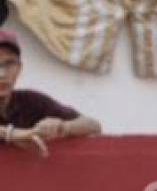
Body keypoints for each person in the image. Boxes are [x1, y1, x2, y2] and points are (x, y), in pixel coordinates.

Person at [0, 28, 101, 157]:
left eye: (9, 64)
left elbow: (93, 125)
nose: (2, 74)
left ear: (19, 68)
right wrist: (15, 134)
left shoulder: (31, 100)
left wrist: (61, 127)